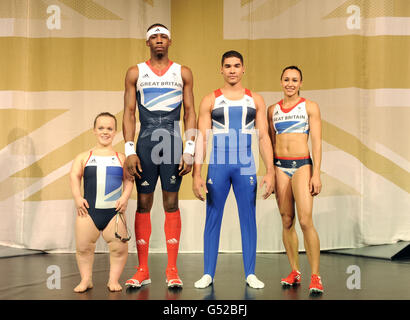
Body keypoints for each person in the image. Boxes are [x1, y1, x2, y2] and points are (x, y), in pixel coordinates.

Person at [192, 50, 274, 289]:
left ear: (243, 69)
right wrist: (197, 174)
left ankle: (250, 273)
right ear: (221, 69)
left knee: (248, 218)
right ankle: (208, 273)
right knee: (212, 217)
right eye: (228, 66)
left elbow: (263, 138)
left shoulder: (255, 100)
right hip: (218, 166)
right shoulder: (210, 100)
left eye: (236, 66)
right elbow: (202, 139)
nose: (232, 70)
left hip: (245, 165)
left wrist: (269, 170)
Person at [123, 23, 196, 288]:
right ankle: (142, 270)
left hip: (172, 140)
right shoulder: (136, 72)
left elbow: (190, 111)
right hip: (145, 142)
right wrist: (129, 150)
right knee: (143, 203)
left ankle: (172, 269)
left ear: (170, 41)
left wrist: (190, 149)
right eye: (154, 36)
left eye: (163, 36)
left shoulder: (182, 72)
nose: (159, 40)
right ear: (147, 43)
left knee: (171, 202)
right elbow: (129, 112)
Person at [267, 66, 323, 294]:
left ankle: (316, 276)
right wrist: (270, 172)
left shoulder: (310, 107)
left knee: (306, 221)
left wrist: (316, 173)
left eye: (295, 80)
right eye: (286, 79)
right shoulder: (272, 110)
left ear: (301, 83)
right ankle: (295, 270)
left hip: (302, 165)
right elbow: (270, 145)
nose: (290, 83)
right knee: (286, 220)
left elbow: (317, 143)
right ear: (281, 82)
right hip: (280, 166)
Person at [70, 112, 133, 293]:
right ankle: (86, 279)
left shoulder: (122, 158)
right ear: (94, 131)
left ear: (115, 132)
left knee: (119, 249)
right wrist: (77, 198)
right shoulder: (84, 157)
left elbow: (129, 179)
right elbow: (74, 176)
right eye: (101, 128)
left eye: (109, 128)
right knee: (83, 248)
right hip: (88, 212)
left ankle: (113, 280)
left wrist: (124, 198)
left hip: (114, 212)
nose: (105, 132)